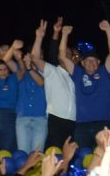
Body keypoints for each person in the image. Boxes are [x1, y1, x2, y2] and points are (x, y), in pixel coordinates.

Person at [60, 20, 110, 149]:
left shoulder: (104, 71)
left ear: (98, 62)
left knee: (104, 157)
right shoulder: (77, 72)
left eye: (94, 60)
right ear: (82, 63)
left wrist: (108, 31)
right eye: (87, 61)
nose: (91, 63)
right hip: (82, 125)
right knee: (82, 158)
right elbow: (63, 57)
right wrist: (64, 35)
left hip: (103, 124)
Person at [29, 19, 76, 149]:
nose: (65, 56)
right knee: (54, 154)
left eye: (69, 54)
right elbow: (35, 59)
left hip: (73, 121)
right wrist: (39, 38)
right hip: (56, 118)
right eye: (63, 53)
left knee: (69, 156)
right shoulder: (52, 71)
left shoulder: (75, 76)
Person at [15, 52, 47, 154]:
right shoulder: (21, 71)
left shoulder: (47, 71)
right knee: (22, 155)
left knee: (37, 156)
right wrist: (19, 58)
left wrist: (30, 68)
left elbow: (41, 82)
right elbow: (6, 63)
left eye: (40, 55)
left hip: (40, 118)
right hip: (22, 117)